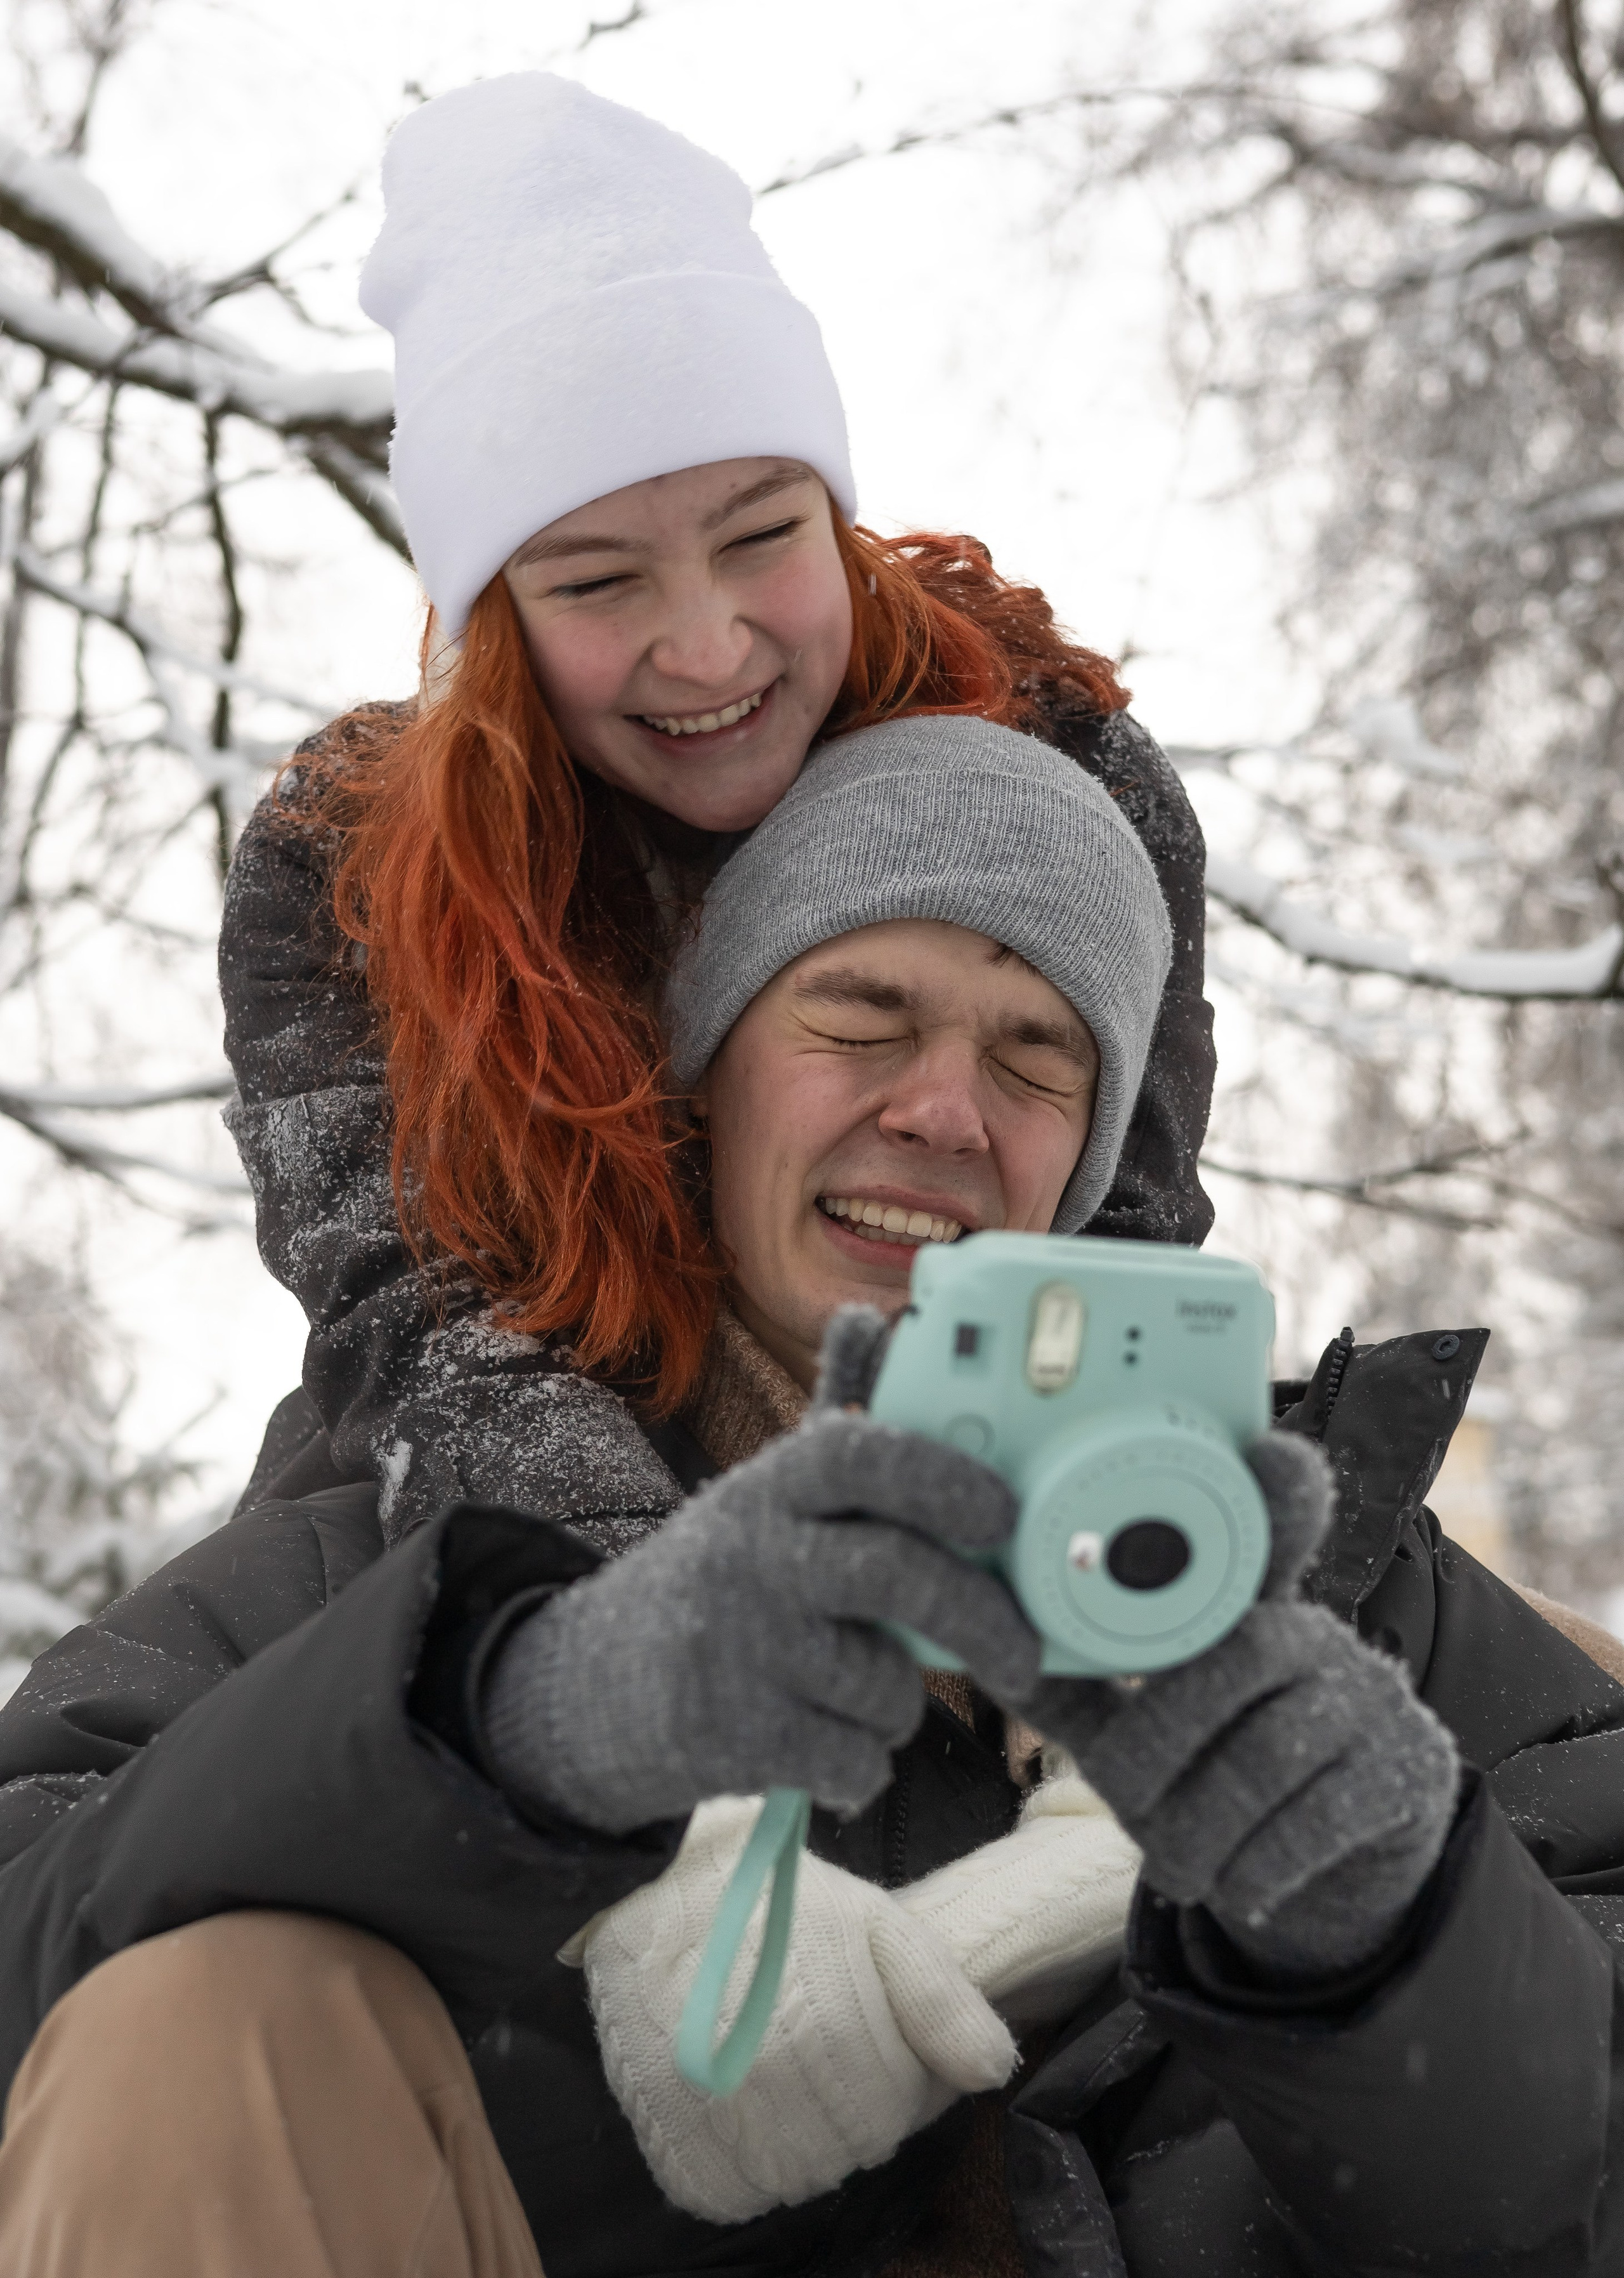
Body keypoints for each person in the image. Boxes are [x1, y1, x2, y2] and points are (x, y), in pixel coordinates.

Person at [0, 718, 1622, 2277]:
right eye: (856, 1018)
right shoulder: (406, 1582)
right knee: (171, 2016)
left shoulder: (1351, 1599)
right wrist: (527, 1745)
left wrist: (1398, 1938)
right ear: (706, 1078)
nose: (942, 1110)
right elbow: (38, 1971)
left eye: (1036, 1055)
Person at [219, 70, 1216, 1550]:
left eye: (760, 537)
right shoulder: (352, 863)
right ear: (492, 616)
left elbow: (1098, 1248)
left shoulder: (1050, 765)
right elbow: (421, 1320)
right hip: (512, 1515)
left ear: (835, 516)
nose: (705, 648)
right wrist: (654, 1616)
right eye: (596, 580)